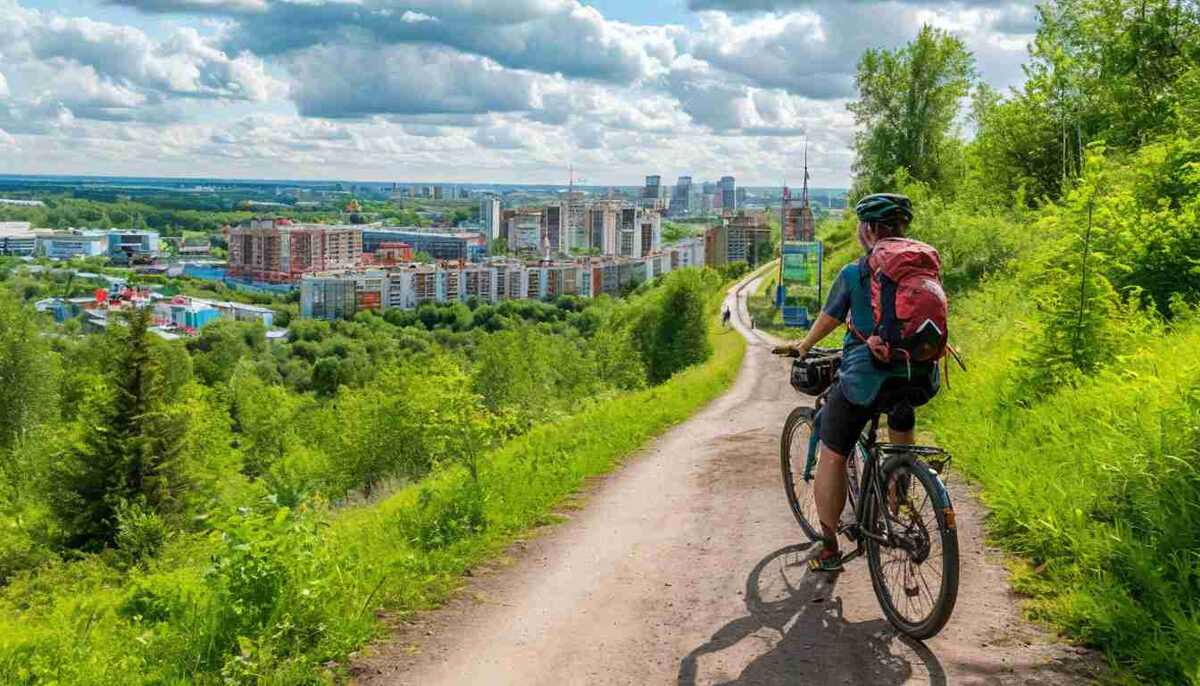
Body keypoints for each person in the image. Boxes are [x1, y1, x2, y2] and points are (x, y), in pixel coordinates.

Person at [780, 193, 940, 573]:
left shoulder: (856, 273)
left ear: (868, 229)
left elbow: (829, 319)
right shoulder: (924, 268)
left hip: (867, 378)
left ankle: (829, 549)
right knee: (901, 413)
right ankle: (898, 495)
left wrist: (803, 346)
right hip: (918, 374)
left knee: (833, 451)